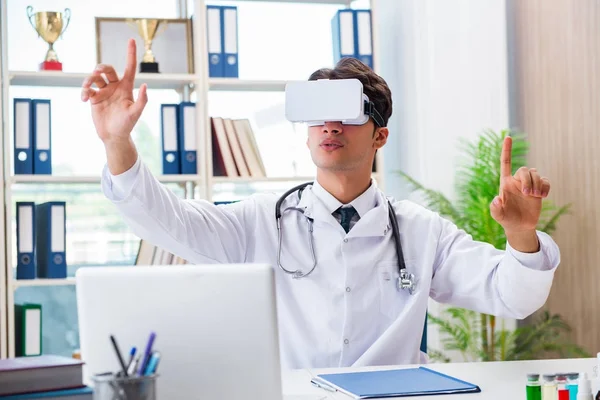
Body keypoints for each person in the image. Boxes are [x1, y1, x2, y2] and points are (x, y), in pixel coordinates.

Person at [81, 39, 560, 370]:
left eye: (349, 111)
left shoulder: (421, 231)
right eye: (318, 113)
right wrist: (118, 142)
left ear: (380, 135)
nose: (330, 124)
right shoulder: (259, 221)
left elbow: (513, 296)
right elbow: (167, 222)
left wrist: (520, 235)